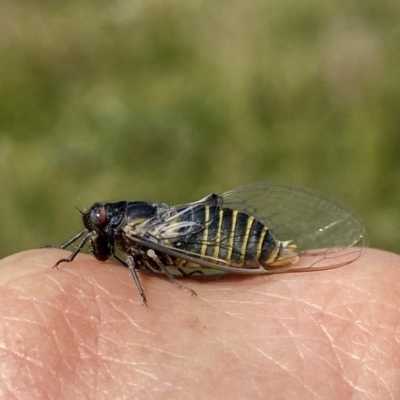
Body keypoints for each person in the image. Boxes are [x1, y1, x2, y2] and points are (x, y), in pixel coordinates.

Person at [0, 248, 399, 399]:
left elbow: (149, 258)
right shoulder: (114, 236)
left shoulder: (136, 237)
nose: (94, 231)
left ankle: (260, 249)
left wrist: (166, 282)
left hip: (185, 238)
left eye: (100, 221)